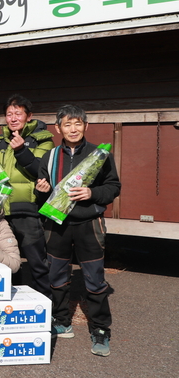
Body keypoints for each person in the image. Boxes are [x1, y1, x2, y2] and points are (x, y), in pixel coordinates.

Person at [35, 104, 121, 357]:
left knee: (94, 279)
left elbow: (113, 187)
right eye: (67, 124)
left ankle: (100, 329)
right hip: (57, 224)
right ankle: (62, 321)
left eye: (77, 124)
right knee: (57, 277)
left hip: (89, 224)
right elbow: (42, 194)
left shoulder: (99, 154)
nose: (73, 129)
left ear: (86, 126)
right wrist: (41, 190)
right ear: (58, 128)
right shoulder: (49, 157)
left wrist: (91, 193)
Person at [0, 94, 54, 298]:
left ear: (29, 116)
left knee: (37, 263)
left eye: (18, 113)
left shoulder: (42, 140)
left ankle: (46, 306)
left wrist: (21, 150)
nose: (13, 118)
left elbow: (41, 171)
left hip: (27, 210)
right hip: (1, 211)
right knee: (6, 262)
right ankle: (11, 304)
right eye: (9, 114)